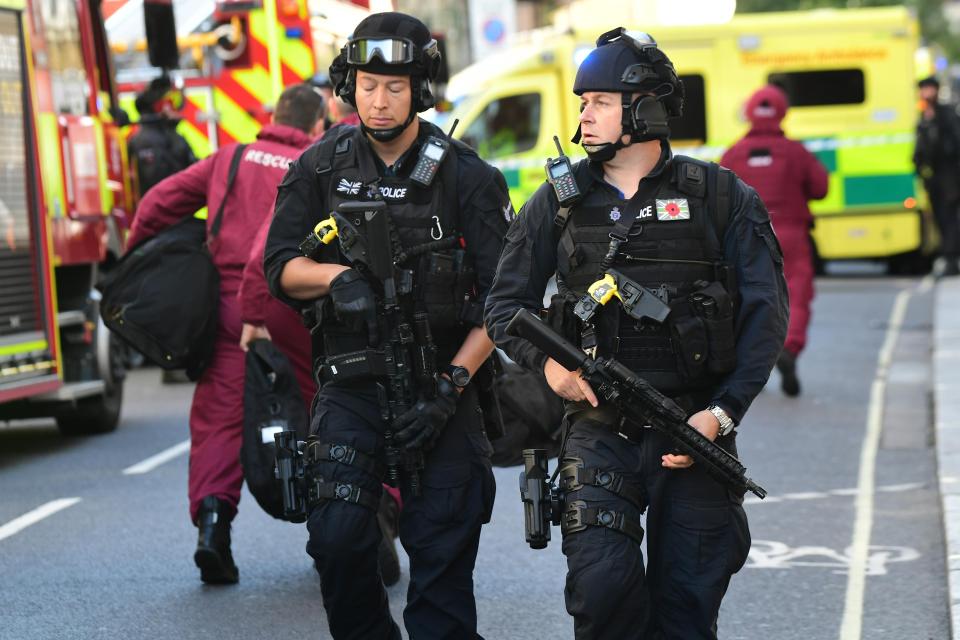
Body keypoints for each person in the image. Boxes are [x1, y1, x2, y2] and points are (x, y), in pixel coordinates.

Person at [484, 29, 788, 639]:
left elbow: (767, 315)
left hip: (693, 428)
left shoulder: (721, 196)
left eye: (599, 101)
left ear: (644, 109)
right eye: (582, 102)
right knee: (602, 594)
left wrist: (722, 414)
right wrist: (550, 370)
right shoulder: (558, 203)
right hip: (599, 431)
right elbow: (504, 305)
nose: (584, 115)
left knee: (686, 608)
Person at [264, 12, 511, 639]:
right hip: (351, 385)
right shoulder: (319, 167)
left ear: (421, 90)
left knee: (442, 555)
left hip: (442, 391)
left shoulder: (468, 176)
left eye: (395, 87)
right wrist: (334, 278)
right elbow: (280, 266)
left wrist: (452, 387)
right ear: (349, 83)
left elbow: (504, 302)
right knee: (340, 541)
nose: (379, 100)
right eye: (369, 84)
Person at [127, 84, 325, 584]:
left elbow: (157, 203)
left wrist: (140, 259)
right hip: (300, 307)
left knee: (221, 418)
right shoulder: (319, 164)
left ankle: (213, 525)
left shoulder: (228, 158)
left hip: (232, 310)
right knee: (331, 408)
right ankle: (365, 525)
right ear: (315, 126)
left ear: (271, 116)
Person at [239, 204, 404, 588]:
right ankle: (380, 503)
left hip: (296, 304)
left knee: (322, 413)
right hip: (365, 306)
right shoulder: (356, 165)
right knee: (379, 406)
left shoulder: (312, 168)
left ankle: (338, 508)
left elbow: (264, 251)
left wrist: (251, 314)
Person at [721, 84, 827, 397]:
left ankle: (754, 364)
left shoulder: (734, 153)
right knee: (796, 294)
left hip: (749, 236)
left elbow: (719, 195)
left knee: (749, 298)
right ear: (783, 111)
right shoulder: (796, 151)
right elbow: (820, 187)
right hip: (792, 234)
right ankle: (790, 349)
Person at [914, 75, 960, 277]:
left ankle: (951, 258)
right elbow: (919, 150)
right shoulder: (923, 119)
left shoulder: (946, 114)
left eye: (929, 89)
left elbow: (954, 143)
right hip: (933, 179)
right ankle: (949, 256)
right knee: (940, 218)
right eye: (923, 89)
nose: (926, 93)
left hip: (949, 175)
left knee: (950, 218)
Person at [127, 75, 197, 200]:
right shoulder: (147, 141)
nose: (179, 106)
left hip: (176, 212)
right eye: (174, 101)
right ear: (160, 106)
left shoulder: (170, 135)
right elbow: (160, 187)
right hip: (164, 215)